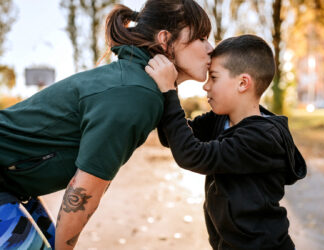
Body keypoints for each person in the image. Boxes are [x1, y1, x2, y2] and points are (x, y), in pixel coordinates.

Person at [0, 1, 212, 249]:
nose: (210, 49)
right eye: (201, 37)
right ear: (165, 40)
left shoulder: (138, 84)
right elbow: (83, 194)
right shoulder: (135, 95)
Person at [146, 34, 307, 249]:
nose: (206, 86)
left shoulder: (261, 138)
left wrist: (170, 91)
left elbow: (191, 155)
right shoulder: (221, 119)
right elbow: (173, 137)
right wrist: (171, 80)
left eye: (213, 77)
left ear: (242, 83)